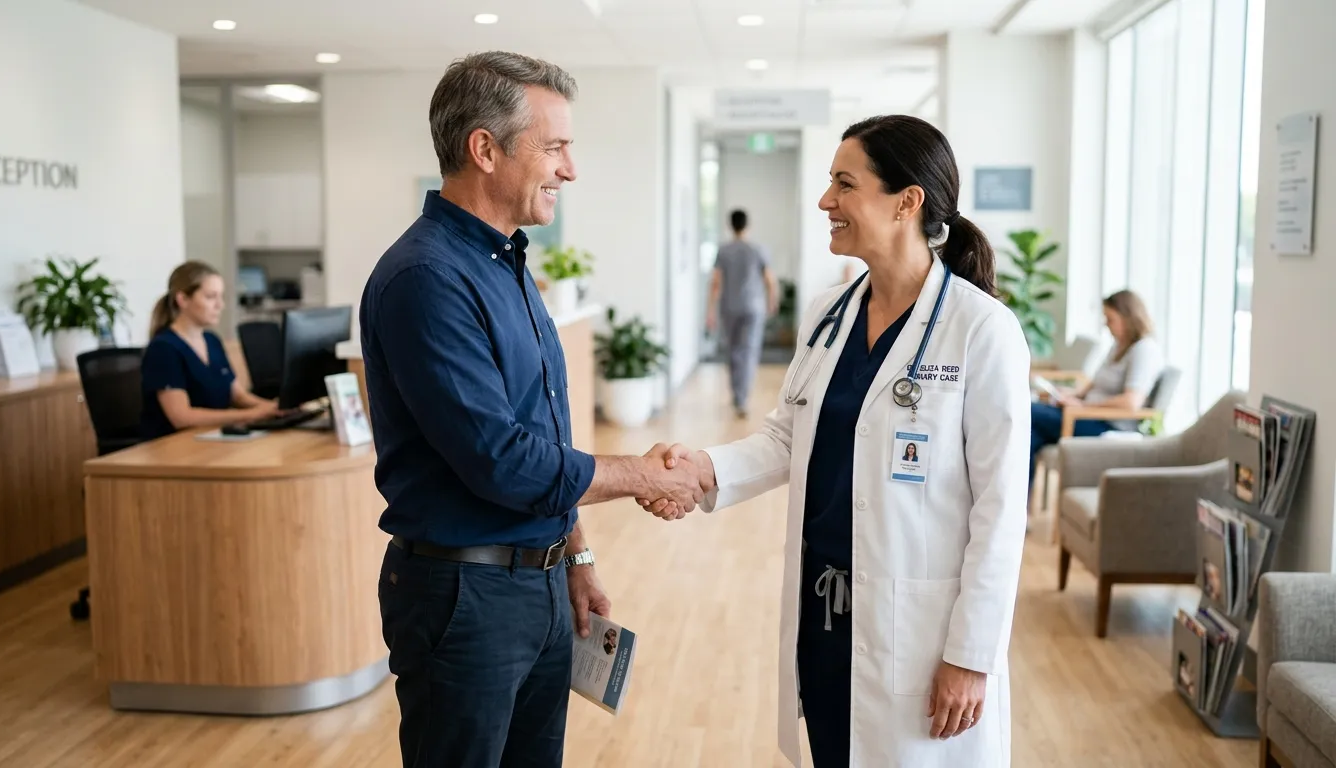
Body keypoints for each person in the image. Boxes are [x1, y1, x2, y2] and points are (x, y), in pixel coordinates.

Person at [641, 115, 1029, 767]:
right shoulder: (829, 314)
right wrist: (700, 468)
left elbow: (1001, 511)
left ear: (907, 202)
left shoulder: (981, 330)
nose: (826, 201)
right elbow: (787, 436)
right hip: (825, 616)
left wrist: (971, 654)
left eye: (845, 184)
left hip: (918, 631)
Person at [359, 51, 703, 768]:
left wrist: (575, 553)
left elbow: (543, 431)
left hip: (540, 583)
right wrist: (642, 475)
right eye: (554, 148)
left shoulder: (507, 263)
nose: (569, 170)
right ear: (485, 149)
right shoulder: (427, 277)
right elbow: (501, 459)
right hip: (465, 598)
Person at [1028, 289, 1163, 484]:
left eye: (1110, 319)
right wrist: (1073, 395)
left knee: (1029, 411)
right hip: (1085, 415)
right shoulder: (1119, 346)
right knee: (1030, 435)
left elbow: (1131, 402)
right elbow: (1096, 382)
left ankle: (1019, 499)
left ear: (1128, 318)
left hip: (1106, 425)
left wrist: (1083, 406)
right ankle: (1021, 499)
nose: (1106, 324)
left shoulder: (1144, 350)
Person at [138, 260, 281, 440]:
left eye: (220, 297)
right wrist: (250, 415)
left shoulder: (212, 341)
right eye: (211, 297)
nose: (220, 305)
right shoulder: (163, 348)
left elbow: (238, 396)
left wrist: (274, 408)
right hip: (173, 445)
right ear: (183, 300)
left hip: (210, 438)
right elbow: (181, 417)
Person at [707, 208, 779, 418]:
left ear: (730, 226)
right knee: (749, 351)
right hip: (753, 308)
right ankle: (742, 399)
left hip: (729, 307)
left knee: (733, 352)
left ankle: (737, 395)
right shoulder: (757, 250)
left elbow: (715, 283)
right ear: (748, 225)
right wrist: (772, 302)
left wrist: (710, 311)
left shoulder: (723, 251)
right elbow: (770, 280)